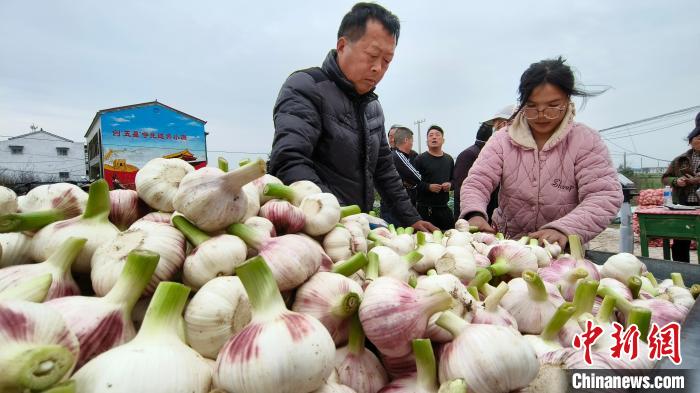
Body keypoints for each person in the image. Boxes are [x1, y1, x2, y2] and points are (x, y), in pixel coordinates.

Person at [268, 3, 437, 232]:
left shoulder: (373, 107)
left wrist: (411, 219)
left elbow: (385, 171)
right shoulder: (306, 87)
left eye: (387, 61)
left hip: (355, 231)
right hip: (312, 228)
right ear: (342, 46)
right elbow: (289, 161)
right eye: (372, 55)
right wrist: (335, 215)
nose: (378, 68)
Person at [460, 57, 622, 248]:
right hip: (509, 247)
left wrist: (563, 229)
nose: (542, 114)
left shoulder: (586, 141)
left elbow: (603, 196)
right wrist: (474, 214)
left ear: (568, 100)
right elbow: (478, 182)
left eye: (553, 106)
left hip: (561, 250)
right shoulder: (502, 139)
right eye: (532, 106)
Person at [452, 105, 515, 222]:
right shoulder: (470, 154)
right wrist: (473, 214)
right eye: (495, 127)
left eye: (496, 126)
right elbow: (474, 184)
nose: (495, 131)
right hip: (484, 217)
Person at [661, 111, 700, 262]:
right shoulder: (680, 160)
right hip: (683, 205)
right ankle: (682, 271)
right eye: (698, 138)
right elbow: (665, 178)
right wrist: (676, 181)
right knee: (680, 243)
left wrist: (696, 180)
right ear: (690, 141)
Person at [414, 125, 455, 230]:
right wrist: (428, 187)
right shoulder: (420, 159)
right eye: (431, 135)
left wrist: (450, 185)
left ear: (443, 140)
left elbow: (455, 181)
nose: (434, 137)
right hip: (425, 210)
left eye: (437, 135)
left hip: (444, 209)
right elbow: (413, 183)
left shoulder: (449, 159)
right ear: (427, 141)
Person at [380, 126, 421, 224]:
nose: (393, 139)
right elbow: (417, 177)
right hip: (393, 203)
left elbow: (416, 178)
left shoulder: (414, 155)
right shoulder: (394, 155)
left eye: (395, 136)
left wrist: (412, 184)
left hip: (408, 203)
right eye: (390, 136)